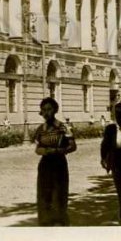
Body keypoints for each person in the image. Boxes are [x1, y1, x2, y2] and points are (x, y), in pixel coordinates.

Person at [32, 97, 77, 226]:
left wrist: (59, 151)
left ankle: (60, 223)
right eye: (44, 110)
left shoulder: (64, 128)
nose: (47, 113)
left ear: (55, 110)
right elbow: (37, 148)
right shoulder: (40, 129)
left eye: (49, 109)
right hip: (45, 165)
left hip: (59, 165)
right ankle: (45, 224)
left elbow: (73, 146)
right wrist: (45, 152)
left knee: (59, 195)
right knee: (44, 195)